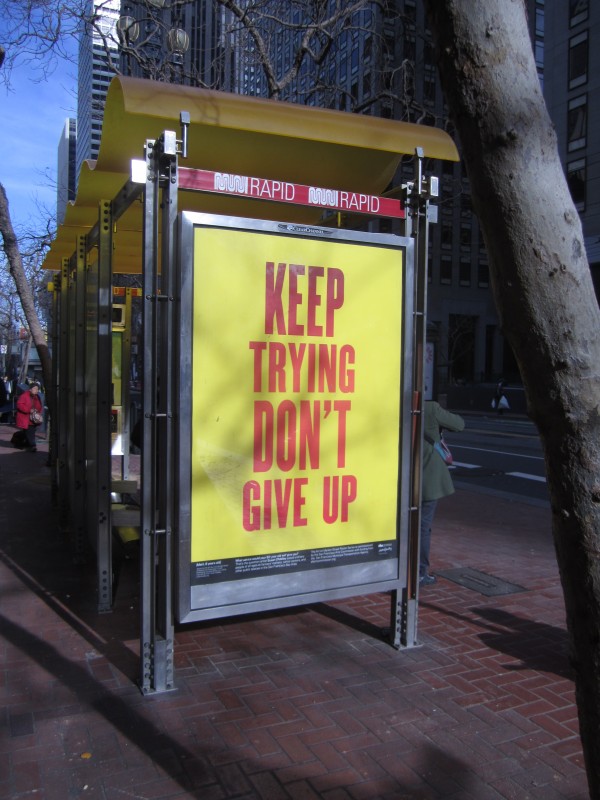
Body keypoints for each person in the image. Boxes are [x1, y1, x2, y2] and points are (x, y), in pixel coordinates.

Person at [420, 400, 465, 586]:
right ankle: (420, 572)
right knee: (422, 527)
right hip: (427, 477)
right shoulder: (430, 408)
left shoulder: (392, 404)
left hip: (399, 477)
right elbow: (459, 424)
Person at [15, 381, 43, 452]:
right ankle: (32, 446)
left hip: (34, 418)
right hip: (26, 418)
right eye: (35, 388)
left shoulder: (37, 397)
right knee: (30, 432)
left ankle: (24, 444)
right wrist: (29, 410)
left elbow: (40, 406)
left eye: (37, 389)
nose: (37, 390)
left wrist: (38, 413)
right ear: (30, 389)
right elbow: (19, 405)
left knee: (29, 432)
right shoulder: (24, 396)